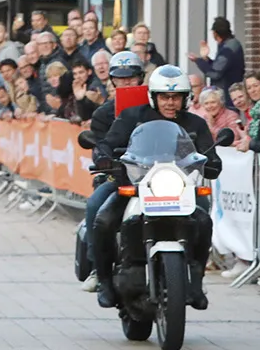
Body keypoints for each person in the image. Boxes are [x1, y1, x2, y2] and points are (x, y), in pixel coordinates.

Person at [92, 65, 223, 311]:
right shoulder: (133, 116)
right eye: (165, 97)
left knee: (204, 220)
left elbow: (209, 153)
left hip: (178, 189)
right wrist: (104, 158)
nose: (170, 102)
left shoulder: (195, 123)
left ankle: (196, 282)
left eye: (176, 97)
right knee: (104, 220)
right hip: (136, 186)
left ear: (186, 99)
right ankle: (105, 282)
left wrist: (213, 162)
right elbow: (107, 143)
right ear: (154, 96)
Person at [80, 51, 147, 294]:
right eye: (121, 78)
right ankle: (98, 268)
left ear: (141, 78)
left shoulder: (157, 106)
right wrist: (104, 160)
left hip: (155, 176)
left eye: (132, 78)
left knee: (199, 203)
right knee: (95, 206)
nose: (127, 83)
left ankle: (192, 266)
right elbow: (99, 145)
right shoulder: (104, 113)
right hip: (119, 176)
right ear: (112, 80)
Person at [190, 17, 246, 96]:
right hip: (232, 91)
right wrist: (206, 59)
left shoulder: (228, 48)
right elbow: (219, 66)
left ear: (215, 33)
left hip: (228, 94)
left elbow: (215, 73)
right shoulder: (232, 45)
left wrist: (198, 61)